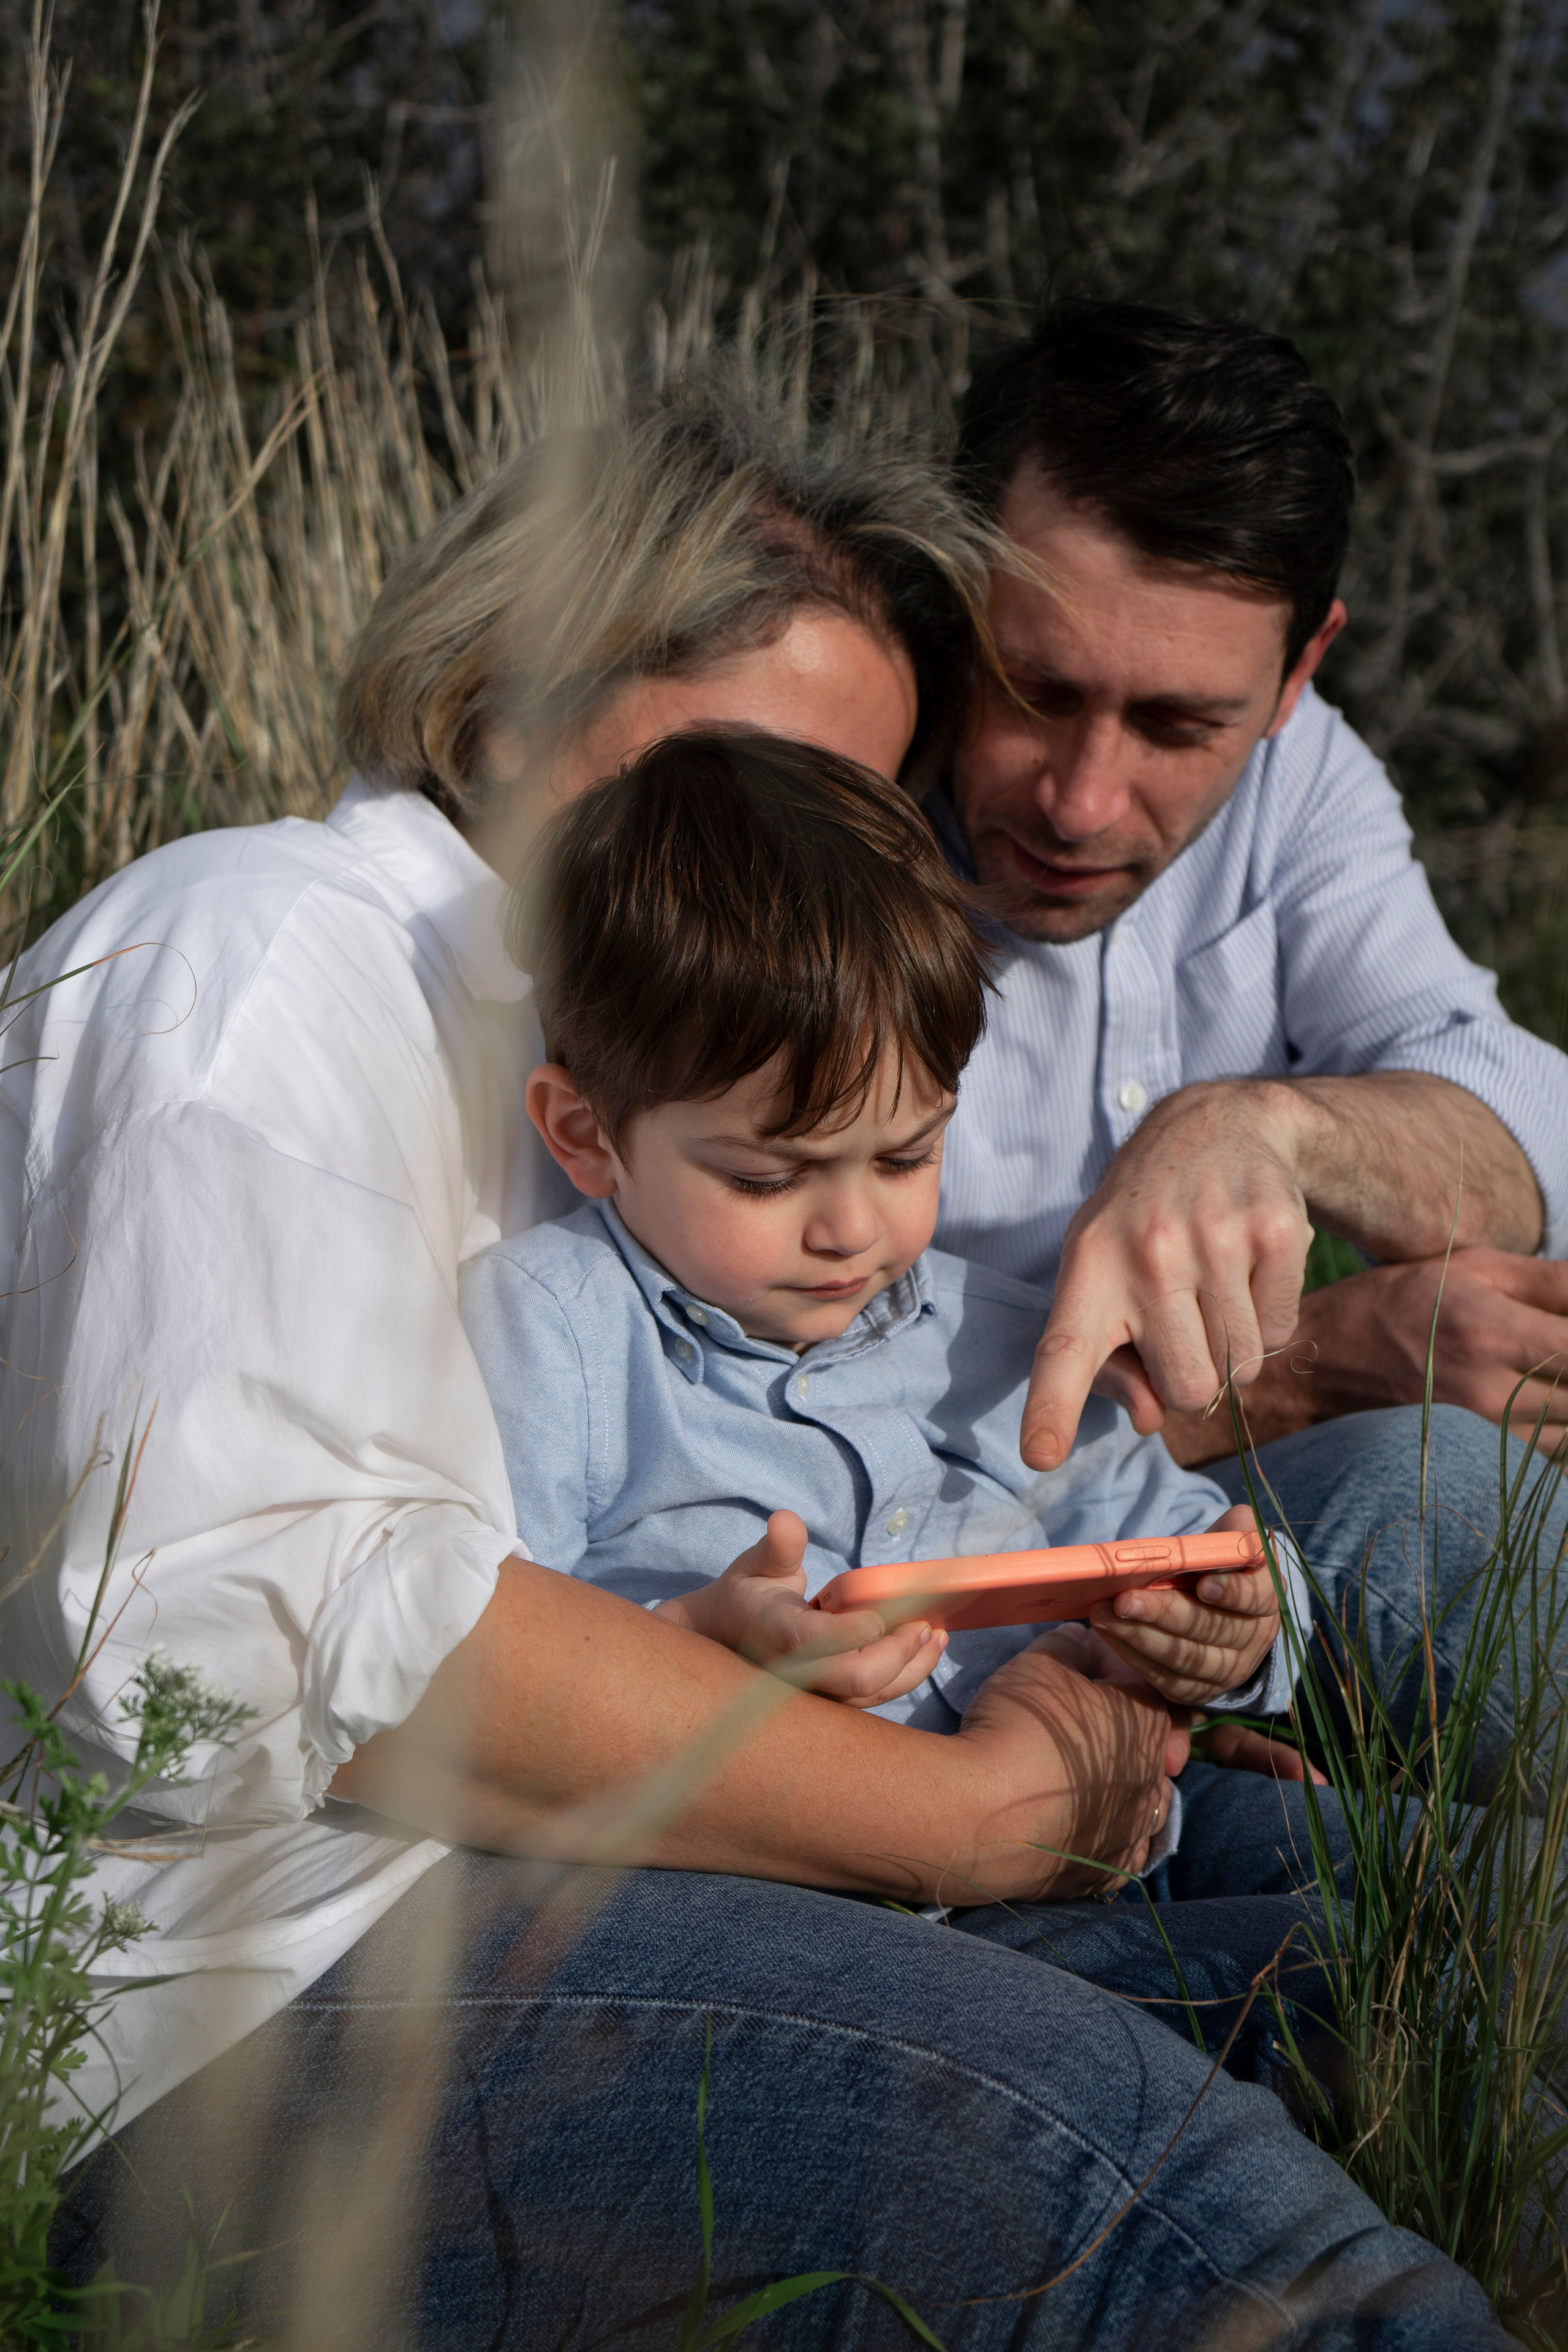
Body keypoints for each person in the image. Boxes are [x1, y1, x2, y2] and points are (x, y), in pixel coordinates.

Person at [12, 395, 1513, 2344]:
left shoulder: (626, 1033)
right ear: (525, 694)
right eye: (758, 766)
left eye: (864, 807)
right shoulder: (266, 957)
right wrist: (962, 1825)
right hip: (257, 1983)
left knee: (1441, 1932)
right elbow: (236, 1636)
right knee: (1172, 2215)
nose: (802, 855)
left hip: (608, 1862)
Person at [461, 725, 1306, 1774]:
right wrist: (687, 1647)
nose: (851, 1231)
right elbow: (477, 1653)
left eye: (907, 1157)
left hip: (1127, 1833)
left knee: (1447, 1876)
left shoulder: (994, 1338)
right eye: (765, 1179)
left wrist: (1234, 1637)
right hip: (799, 1887)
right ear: (587, 1137)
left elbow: (1172, 1534)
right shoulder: (554, 1332)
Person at [934, 298, 1568, 1485]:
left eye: (1179, 725)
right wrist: (1307, 1368)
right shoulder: (818, 767)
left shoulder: (1299, 769)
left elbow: (1525, 1127)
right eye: (1034, 691)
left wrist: (1260, 1125)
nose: (1081, 802)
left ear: (1294, 674)